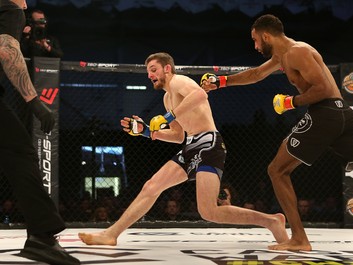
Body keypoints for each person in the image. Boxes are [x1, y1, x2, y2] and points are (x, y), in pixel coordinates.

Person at [200, 14, 353, 251]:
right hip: (343, 114)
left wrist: (290, 102)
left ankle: (299, 239)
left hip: (325, 113)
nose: (255, 46)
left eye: (255, 40)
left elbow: (323, 88)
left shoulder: (297, 52)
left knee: (277, 170)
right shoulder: (283, 55)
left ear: (266, 35)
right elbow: (256, 74)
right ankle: (298, 238)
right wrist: (221, 81)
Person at [78, 52, 288, 246]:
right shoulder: (167, 98)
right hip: (191, 145)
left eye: (153, 69)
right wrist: (144, 131)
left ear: (167, 68)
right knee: (152, 187)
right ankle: (111, 234)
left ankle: (270, 221)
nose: (150, 74)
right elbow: (178, 136)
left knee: (209, 211)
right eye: (148, 71)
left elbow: (200, 95)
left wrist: (168, 117)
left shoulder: (179, 81)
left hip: (208, 144)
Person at [0, 1, 79, 264]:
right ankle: (41, 237)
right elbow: (6, 50)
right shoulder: (9, 7)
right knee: (20, 154)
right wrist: (35, 103)